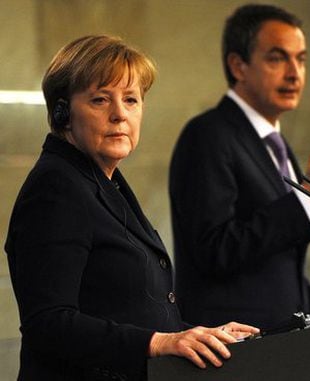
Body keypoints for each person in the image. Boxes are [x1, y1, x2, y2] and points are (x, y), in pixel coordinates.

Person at [5, 35, 259, 381]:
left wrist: (200, 336)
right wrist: (158, 343)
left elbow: (128, 311)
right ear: (62, 112)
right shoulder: (56, 188)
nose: (120, 114)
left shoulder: (103, 180)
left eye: (131, 100)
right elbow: (48, 322)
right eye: (100, 100)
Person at [169, 4, 310, 329]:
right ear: (238, 65)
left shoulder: (273, 143)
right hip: (231, 351)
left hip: (277, 345)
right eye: (277, 58)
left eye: (301, 59)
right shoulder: (207, 135)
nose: (294, 73)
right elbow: (214, 251)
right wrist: (306, 200)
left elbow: (272, 267)